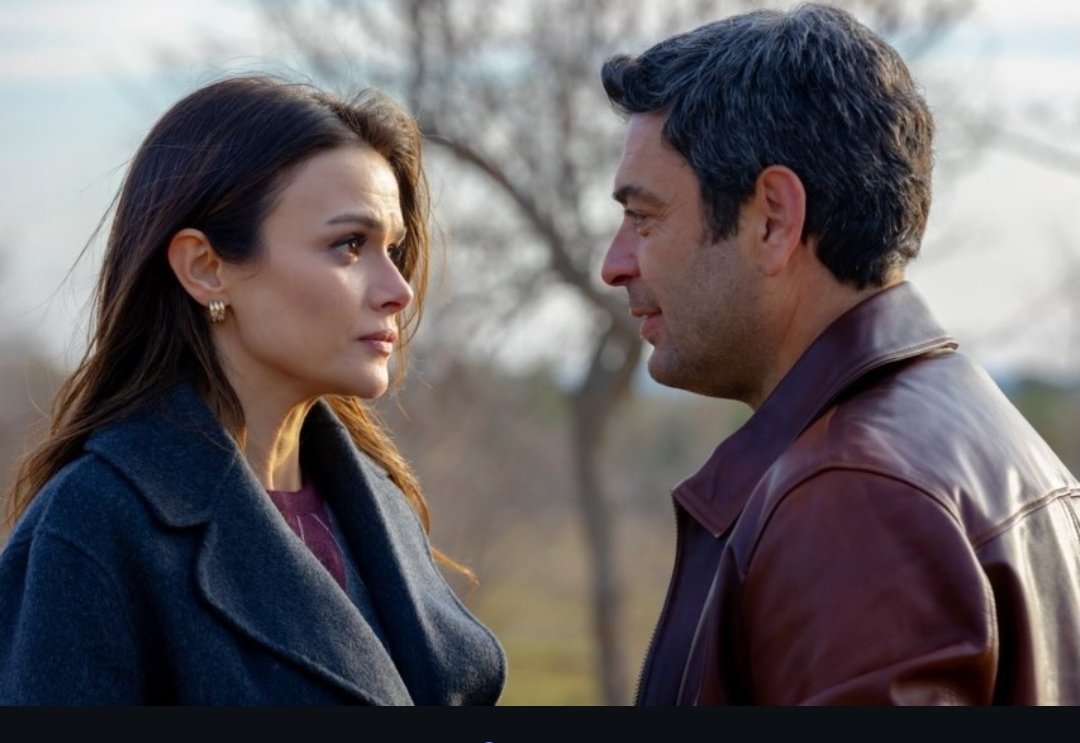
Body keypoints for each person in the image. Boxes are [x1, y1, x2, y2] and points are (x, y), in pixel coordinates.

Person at [599, 3, 1080, 705]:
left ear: (774, 218)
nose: (614, 264)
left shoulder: (855, 496)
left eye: (643, 217)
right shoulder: (977, 430)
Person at [0, 74, 505, 705]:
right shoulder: (94, 527)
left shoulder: (380, 504)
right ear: (206, 268)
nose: (398, 291)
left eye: (393, 248)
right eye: (349, 245)